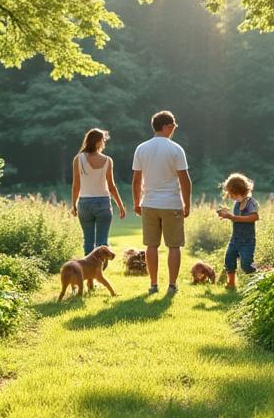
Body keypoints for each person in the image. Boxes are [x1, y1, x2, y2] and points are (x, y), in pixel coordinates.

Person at [132, 111, 191, 294]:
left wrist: (136, 202)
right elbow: (185, 180)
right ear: (165, 126)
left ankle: (153, 284)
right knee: (174, 245)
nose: (174, 129)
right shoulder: (176, 149)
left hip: (148, 202)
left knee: (151, 245)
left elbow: (136, 180)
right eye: (172, 126)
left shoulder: (141, 148)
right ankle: (172, 285)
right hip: (172, 203)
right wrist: (186, 204)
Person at [70, 128, 126, 255]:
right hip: (103, 203)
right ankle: (100, 271)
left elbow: (76, 185)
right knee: (102, 242)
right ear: (98, 142)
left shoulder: (78, 159)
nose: (104, 143)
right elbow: (111, 186)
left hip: (84, 203)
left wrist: (74, 204)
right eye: (103, 141)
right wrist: (120, 205)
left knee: (88, 242)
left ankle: (89, 273)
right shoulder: (107, 160)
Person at [216, 173, 260, 289]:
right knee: (229, 259)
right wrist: (226, 214)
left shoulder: (251, 203)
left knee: (246, 264)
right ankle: (231, 283)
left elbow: (254, 217)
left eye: (230, 193)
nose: (229, 196)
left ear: (237, 190)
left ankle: (257, 279)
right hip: (235, 239)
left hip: (247, 241)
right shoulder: (237, 203)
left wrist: (233, 217)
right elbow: (235, 218)